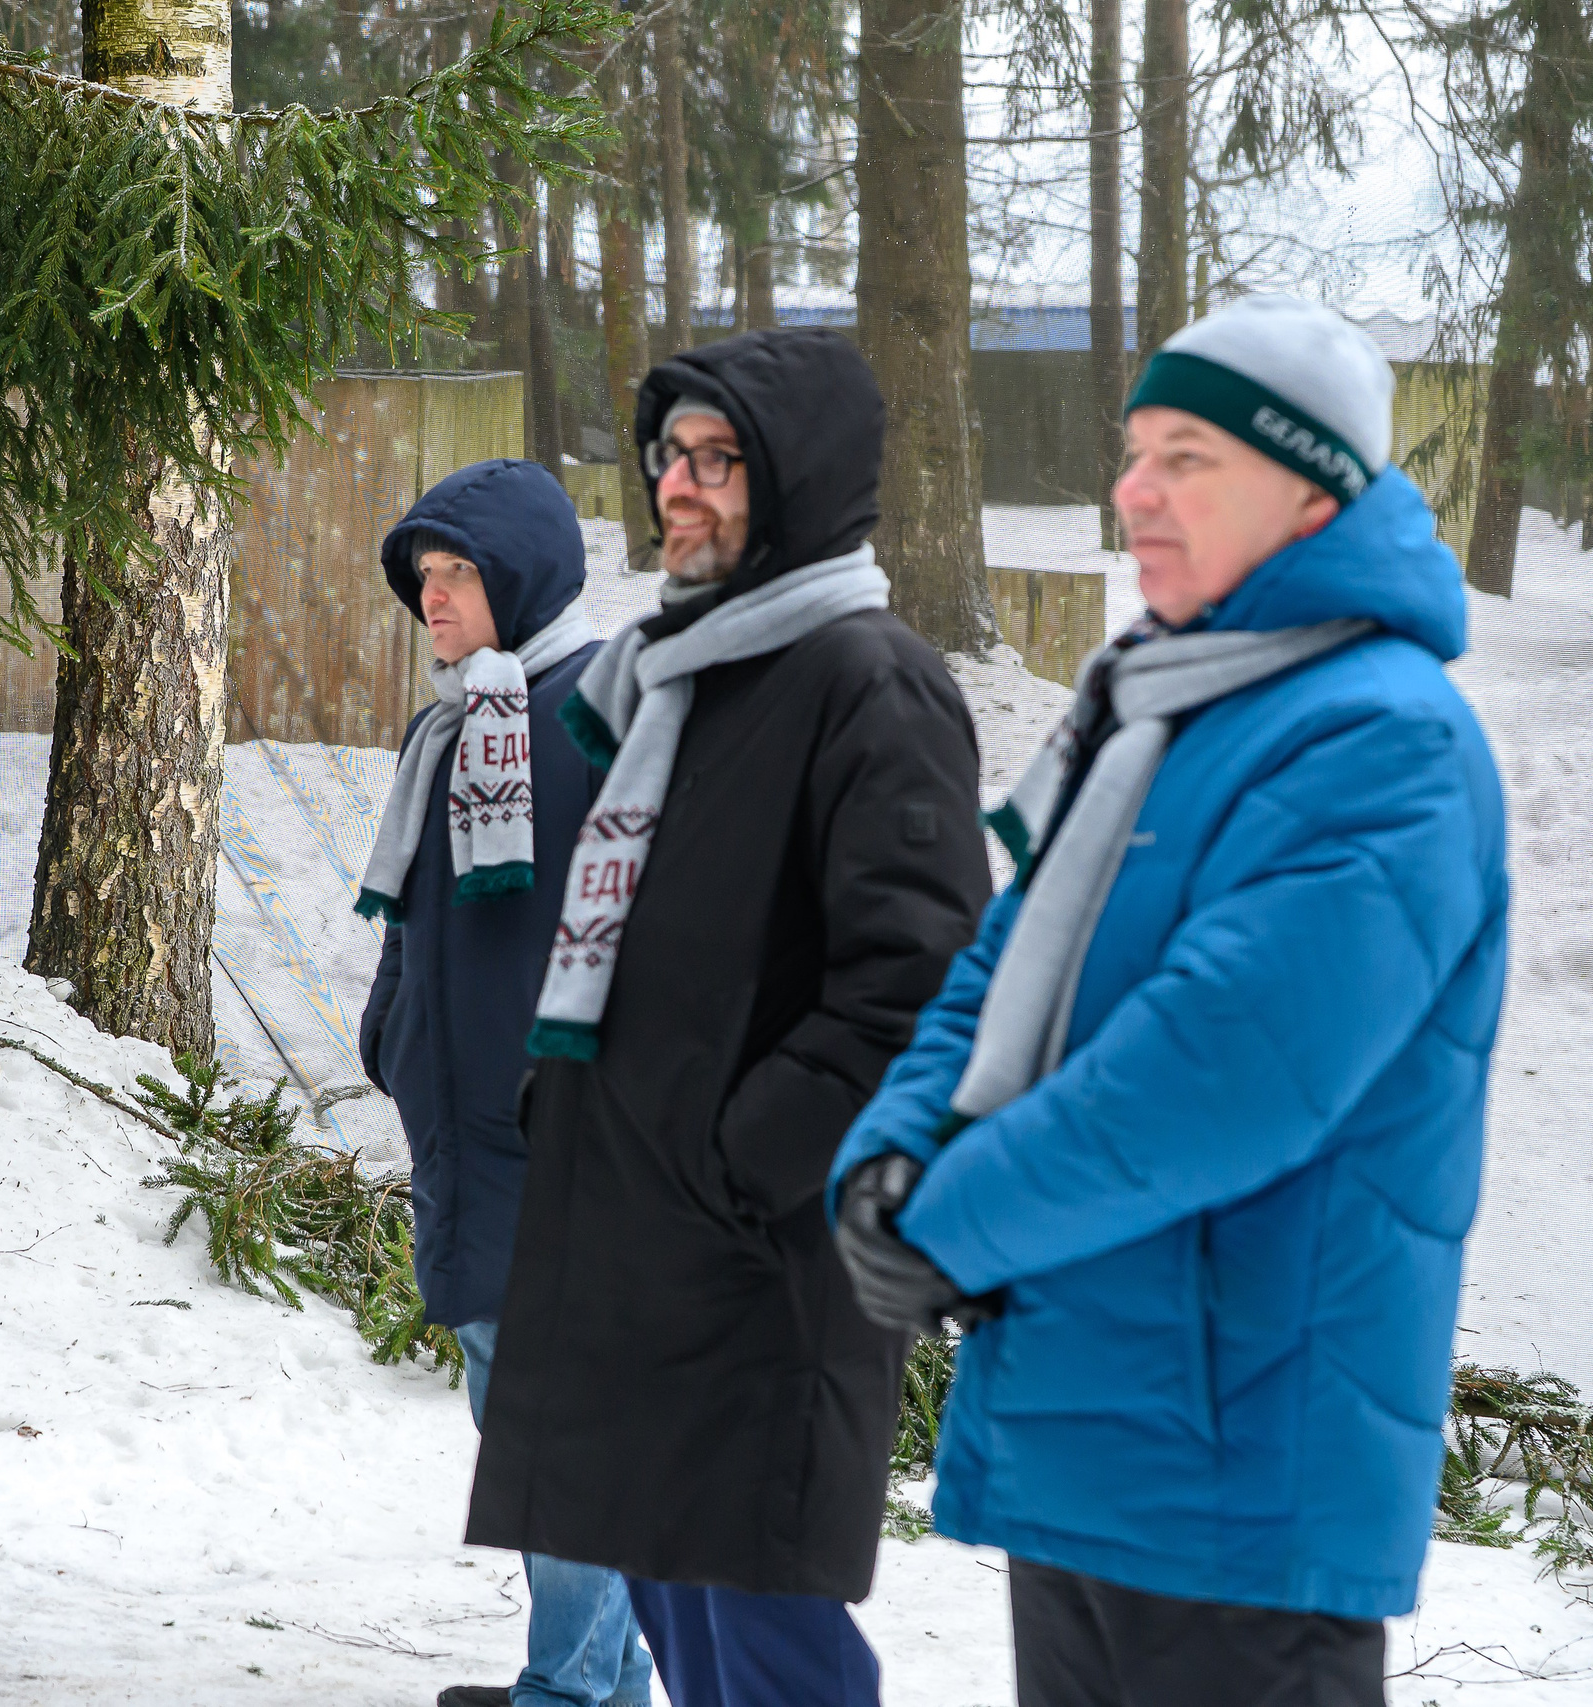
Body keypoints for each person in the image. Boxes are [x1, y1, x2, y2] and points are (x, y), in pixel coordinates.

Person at [828, 294, 1510, 1707]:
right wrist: (891, 1152)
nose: (1131, 490)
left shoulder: (1384, 738)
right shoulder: (1161, 707)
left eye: (1184, 455)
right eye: (1134, 450)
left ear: (1313, 482)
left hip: (1240, 1469)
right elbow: (1002, 964)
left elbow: (1213, 1074)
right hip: (1094, 1431)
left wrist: (949, 1222)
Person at [463, 328, 994, 1707]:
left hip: (758, 1269)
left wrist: (736, 1157)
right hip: (640, 1254)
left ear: (800, 481)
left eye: (720, 460)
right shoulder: (680, 677)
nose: (679, 488)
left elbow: (919, 984)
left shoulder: (870, 682)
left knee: (767, 1646)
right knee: (684, 1623)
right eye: (670, 456)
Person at [354, 458, 651, 1707]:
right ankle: (594, 1675)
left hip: (564, 1145)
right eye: (425, 574)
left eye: (461, 571)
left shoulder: (594, 716)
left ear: (523, 575)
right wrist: (394, 1034)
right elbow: (418, 924)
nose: (436, 595)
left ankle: (574, 1692)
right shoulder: (457, 728)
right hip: (467, 1140)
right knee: (521, 1426)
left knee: (556, 1438)